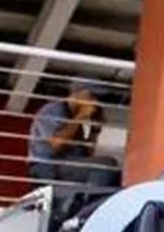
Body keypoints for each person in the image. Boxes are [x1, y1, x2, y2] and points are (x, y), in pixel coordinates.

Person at [26, 82, 122, 217]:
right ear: (78, 93)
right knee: (106, 165)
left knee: (110, 169)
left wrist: (95, 129)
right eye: (91, 96)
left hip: (68, 166)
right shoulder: (53, 110)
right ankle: (87, 211)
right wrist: (80, 116)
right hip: (48, 167)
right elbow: (55, 144)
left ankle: (89, 205)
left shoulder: (74, 122)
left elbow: (87, 154)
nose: (94, 101)